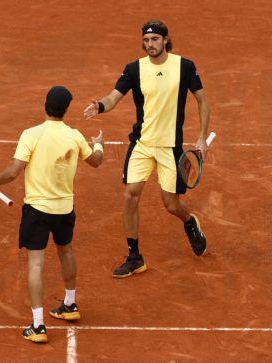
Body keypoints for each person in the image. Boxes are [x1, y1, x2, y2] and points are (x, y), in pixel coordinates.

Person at [84, 19, 211, 278]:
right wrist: (100, 106)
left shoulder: (185, 67)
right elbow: (114, 97)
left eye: (154, 40)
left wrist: (200, 138)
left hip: (170, 147)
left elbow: (202, 101)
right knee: (130, 195)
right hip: (142, 144)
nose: (149, 45)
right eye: (146, 40)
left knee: (171, 205)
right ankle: (134, 257)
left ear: (165, 40)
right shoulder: (134, 69)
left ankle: (190, 222)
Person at [0, 86, 104, 343]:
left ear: (45, 105)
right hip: (64, 209)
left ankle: (38, 326)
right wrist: (100, 145)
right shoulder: (75, 136)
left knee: (36, 264)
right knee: (66, 252)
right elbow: (96, 161)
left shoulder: (31, 134)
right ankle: (70, 305)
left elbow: (14, 171)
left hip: (37, 210)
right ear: (66, 109)